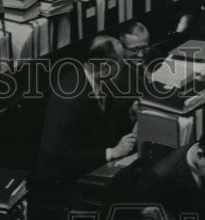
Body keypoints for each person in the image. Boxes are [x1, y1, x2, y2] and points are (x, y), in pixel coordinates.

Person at [38, 34, 136, 185]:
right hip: (66, 181)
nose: (124, 66)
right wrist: (112, 152)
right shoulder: (70, 99)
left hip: (91, 166)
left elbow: (103, 124)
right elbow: (59, 157)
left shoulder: (99, 80)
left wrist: (130, 116)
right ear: (105, 68)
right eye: (121, 62)